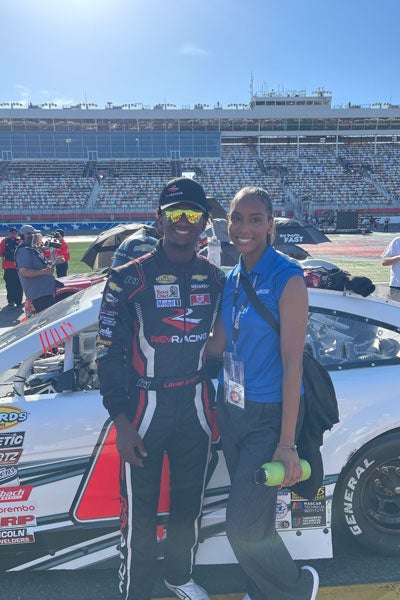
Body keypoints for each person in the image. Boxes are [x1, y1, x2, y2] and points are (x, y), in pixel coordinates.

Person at [96, 177, 225, 600]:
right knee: (140, 514)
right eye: (175, 214)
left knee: (190, 506)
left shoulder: (216, 278)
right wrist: (121, 421)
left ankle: (179, 577)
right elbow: (108, 353)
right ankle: (136, 591)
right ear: (159, 219)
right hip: (143, 409)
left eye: (192, 213)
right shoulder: (126, 278)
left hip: (196, 408)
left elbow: (225, 347)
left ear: (204, 222)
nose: (183, 222)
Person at [206, 186, 319, 600]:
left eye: (255, 219)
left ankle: (295, 588)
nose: (244, 228)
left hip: (269, 415)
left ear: (271, 224)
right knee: (256, 518)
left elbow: (294, 363)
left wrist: (286, 443)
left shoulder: (286, 276)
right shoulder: (234, 277)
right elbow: (218, 344)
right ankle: (261, 587)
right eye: (237, 218)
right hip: (233, 410)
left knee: (241, 526)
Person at [14, 224, 56, 313]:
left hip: (44, 290)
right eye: (33, 234)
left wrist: (52, 262)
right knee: (47, 318)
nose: (36, 236)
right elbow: (24, 271)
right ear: (26, 235)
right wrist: (44, 272)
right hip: (39, 293)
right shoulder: (24, 250)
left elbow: (39, 264)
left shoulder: (32, 248)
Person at [0, 227, 23, 308]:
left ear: (9, 233)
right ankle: (19, 301)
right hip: (18, 267)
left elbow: (1, 254)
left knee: (10, 285)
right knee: (19, 284)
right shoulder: (20, 241)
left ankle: (11, 301)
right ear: (16, 233)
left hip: (8, 267)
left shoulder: (4, 241)